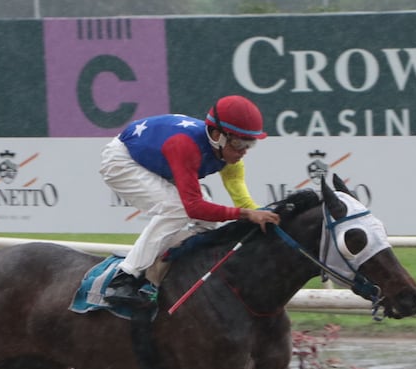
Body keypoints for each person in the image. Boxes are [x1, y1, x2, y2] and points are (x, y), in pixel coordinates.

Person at [99, 94, 280, 307]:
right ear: (217, 135)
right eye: (239, 142)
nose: (243, 151)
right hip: (122, 160)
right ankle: (123, 278)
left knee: (207, 222)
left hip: (157, 164)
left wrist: (263, 216)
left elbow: (244, 203)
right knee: (176, 208)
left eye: (250, 144)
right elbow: (193, 207)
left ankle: (176, 261)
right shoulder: (185, 145)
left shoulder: (233, 161)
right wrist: (246, 215)